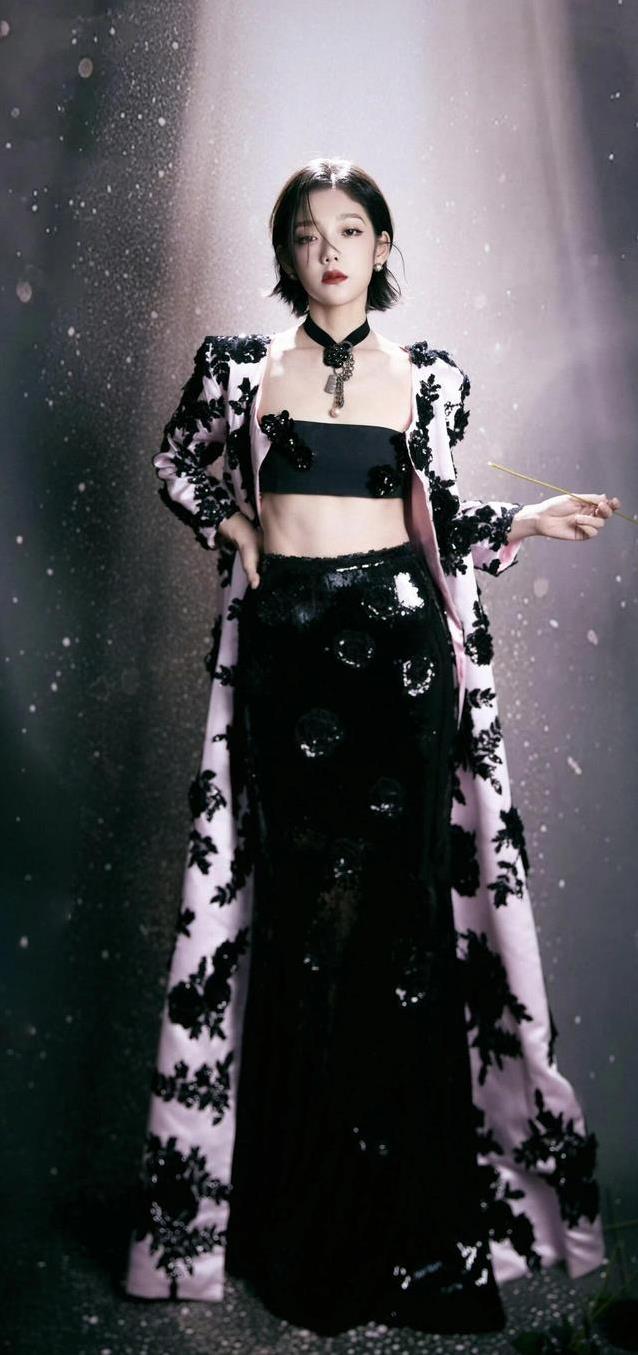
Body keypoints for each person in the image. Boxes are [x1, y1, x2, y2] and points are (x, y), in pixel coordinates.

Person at [123, 158, 619, 1337]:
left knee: (400, 934)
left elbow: (432, 515)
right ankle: (306, 1224)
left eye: (348, 231)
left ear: (381, 247)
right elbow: (174, 462)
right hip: (289, 663)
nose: (327, 251)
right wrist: (232, 521)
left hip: (400, 667)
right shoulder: (238, 367)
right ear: (287, 254)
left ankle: (408, 1227)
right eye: (306, 234)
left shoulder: (426, 376)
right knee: (307, 930)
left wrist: (528, 518)